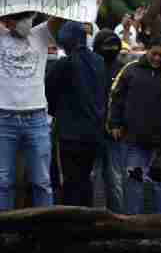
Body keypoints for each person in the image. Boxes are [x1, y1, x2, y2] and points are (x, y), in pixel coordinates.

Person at [0, 12, 63, 211]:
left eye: (28, 17)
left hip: (36, 119)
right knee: (3, 181)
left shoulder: (41, 33)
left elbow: (61, 14)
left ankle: (45, 232)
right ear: (8, 21)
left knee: (42, 181)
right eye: (21, 18)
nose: (26, 22)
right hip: (4, 118)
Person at [109, 37, 161, 213]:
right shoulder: (131, 70)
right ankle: (132, 222)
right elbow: (117, 98)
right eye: (154, 54)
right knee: (133, 182)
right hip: (135, 139)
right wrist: (115, 123)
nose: (157, 59)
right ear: (147, 50)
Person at [45, 21, 107, 207]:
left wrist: (57, 112)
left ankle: (71, 225)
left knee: (70, 181)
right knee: (85, 178)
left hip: (69, 135)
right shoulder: (99, 61)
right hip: (94, 132)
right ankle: (87, 223)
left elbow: (49, 94)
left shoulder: (63, 64)